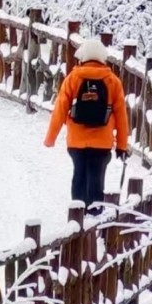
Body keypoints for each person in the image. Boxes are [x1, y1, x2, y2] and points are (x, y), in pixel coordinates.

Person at [43, 37, 130, 208]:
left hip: (76, 141)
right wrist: (122, 146)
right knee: (97, 180)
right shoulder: (113, 81)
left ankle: (77, 217)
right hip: (102, 142)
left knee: (79, 176)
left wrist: (50, 138)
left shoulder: (73, 79)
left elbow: (60, 109)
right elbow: (121, 117)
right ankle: (95, 219)